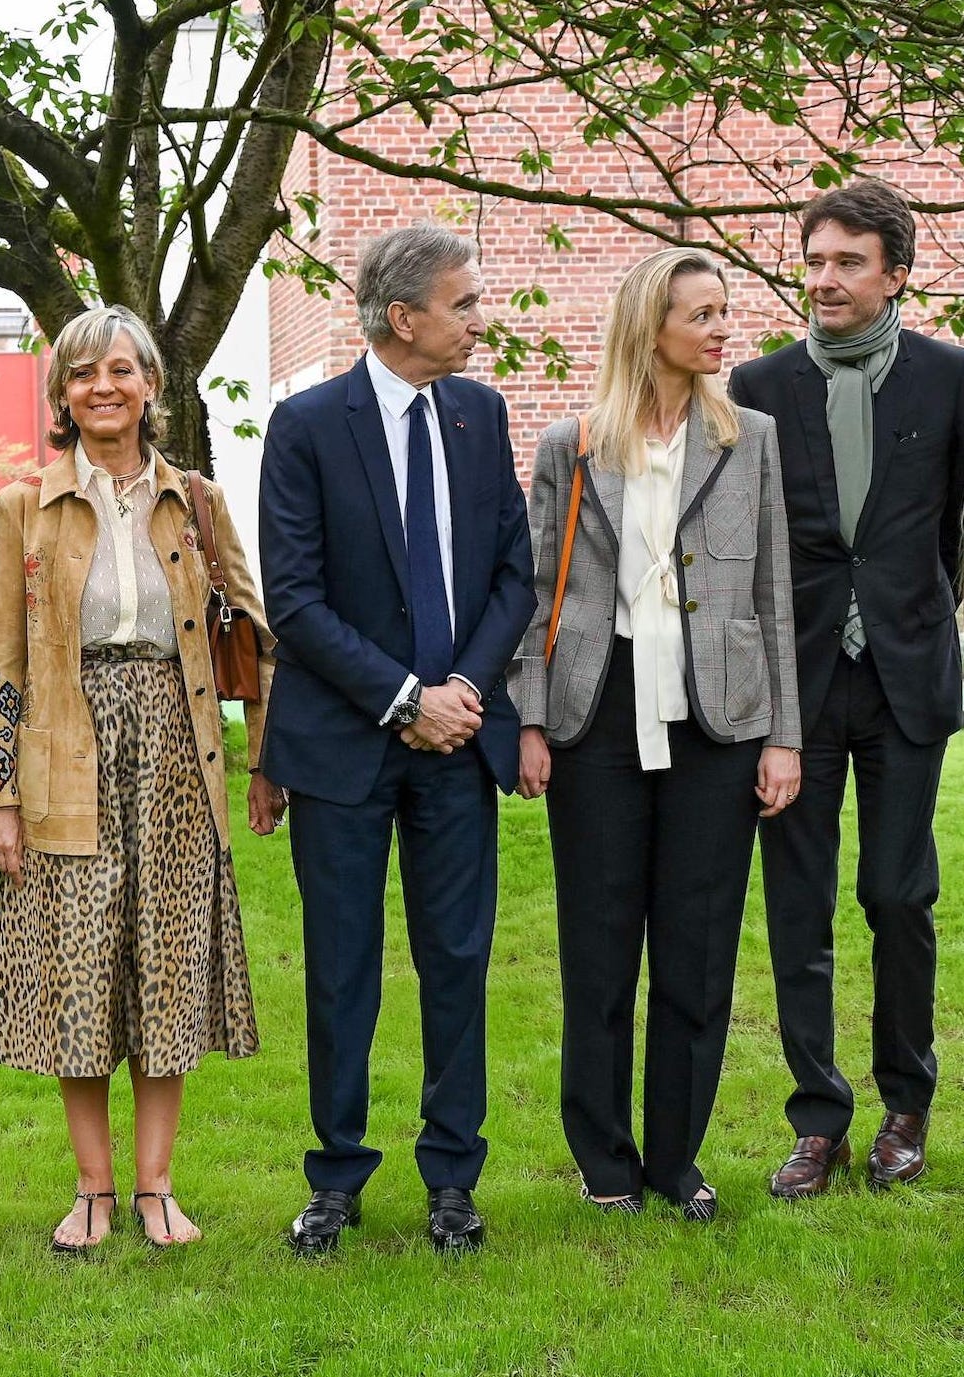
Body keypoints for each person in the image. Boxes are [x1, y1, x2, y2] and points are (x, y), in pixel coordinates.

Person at [0, 305, 285, 1250]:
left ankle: (156, 1188)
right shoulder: (26, 503)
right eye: (82, 374)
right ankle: (93, 1189)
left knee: (166, 962)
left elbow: (255, 641)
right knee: (78, 969)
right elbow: (0, 663)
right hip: (63, 753)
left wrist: (265, 763)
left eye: (120, 369)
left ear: (151, 384)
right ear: (62, 394)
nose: (102, 387)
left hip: (177, 758)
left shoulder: (194, 499)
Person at [258, 224, 533, 1256]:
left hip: (457, 741)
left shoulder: (478, 413)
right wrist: (402, 697)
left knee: (455, 959)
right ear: (402, 315)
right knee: (339, 968)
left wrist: (460, 689)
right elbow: (292, 598)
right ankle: (334, 1178)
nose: (477, 320)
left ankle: (451, 1178)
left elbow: (510, 570)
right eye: (463, 304)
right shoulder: (304, 426)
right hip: (341, 747)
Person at [512, 249, 801, 1221]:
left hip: (718, 721)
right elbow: (533, 590)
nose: (723, 329)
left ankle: (675, 1162)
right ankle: (603, 1164)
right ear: (651, 327)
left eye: (723, 311)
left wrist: (781, 736)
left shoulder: (747, 439)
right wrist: (529, 717)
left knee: (697, 948)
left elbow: (771, 595)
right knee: (597, 949)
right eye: (703, 314)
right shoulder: (570, 444)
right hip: (595, 710)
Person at [729, 179, 964, 1198]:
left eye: (845, 263)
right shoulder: (755, 386)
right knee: (797, 905)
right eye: (812, 260)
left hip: (907, 680)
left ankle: (904, 1104)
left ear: (894, 274)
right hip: (800, 687)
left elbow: (950, 536)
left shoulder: (949, 380)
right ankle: (816, 1117)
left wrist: (928, 622)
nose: (821, 279)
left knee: (893, 892)